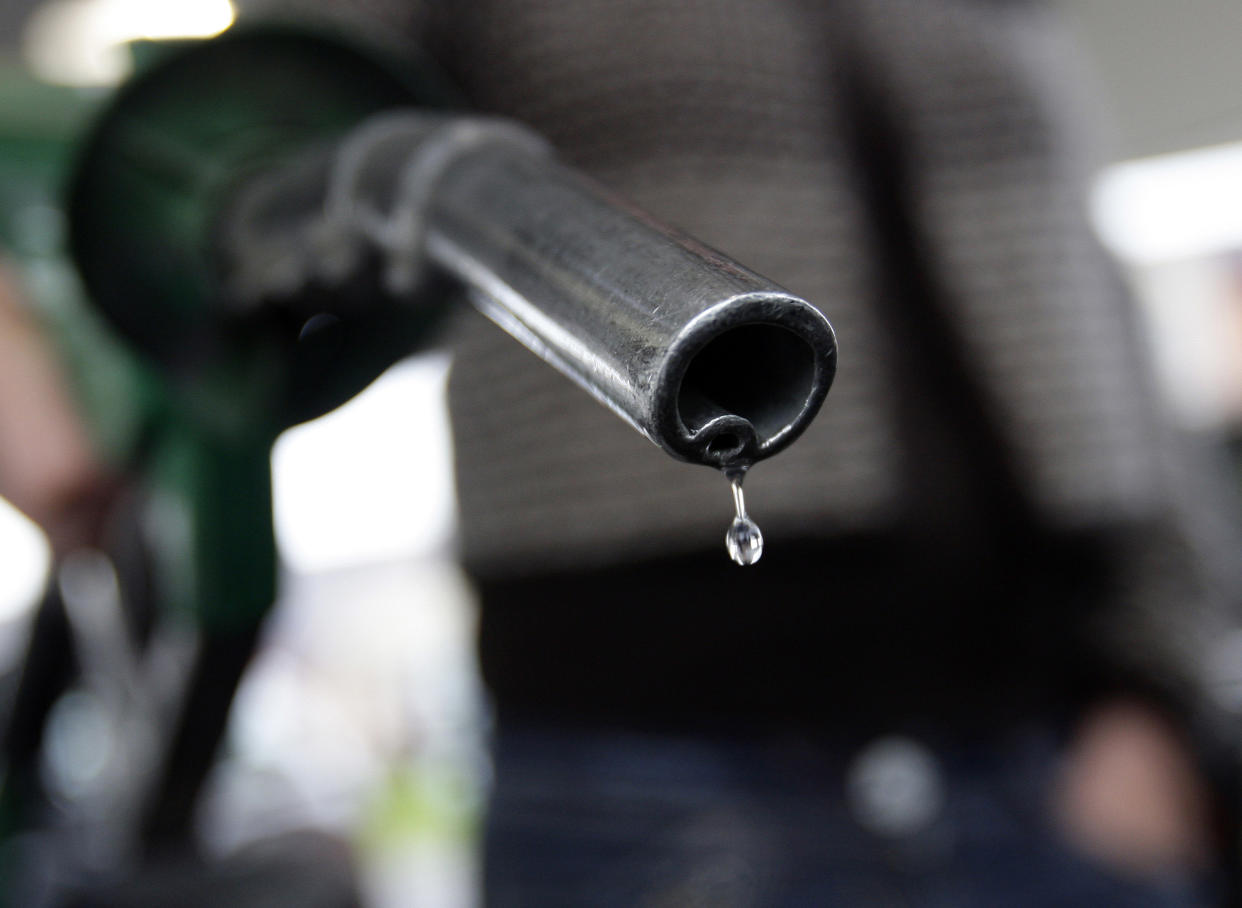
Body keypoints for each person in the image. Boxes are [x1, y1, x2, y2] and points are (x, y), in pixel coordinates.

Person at [307, 1, 1242, 904]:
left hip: (1054, 748)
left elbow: (1096, 313)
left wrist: (1155, 681)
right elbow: (306, 149)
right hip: (648, 749)